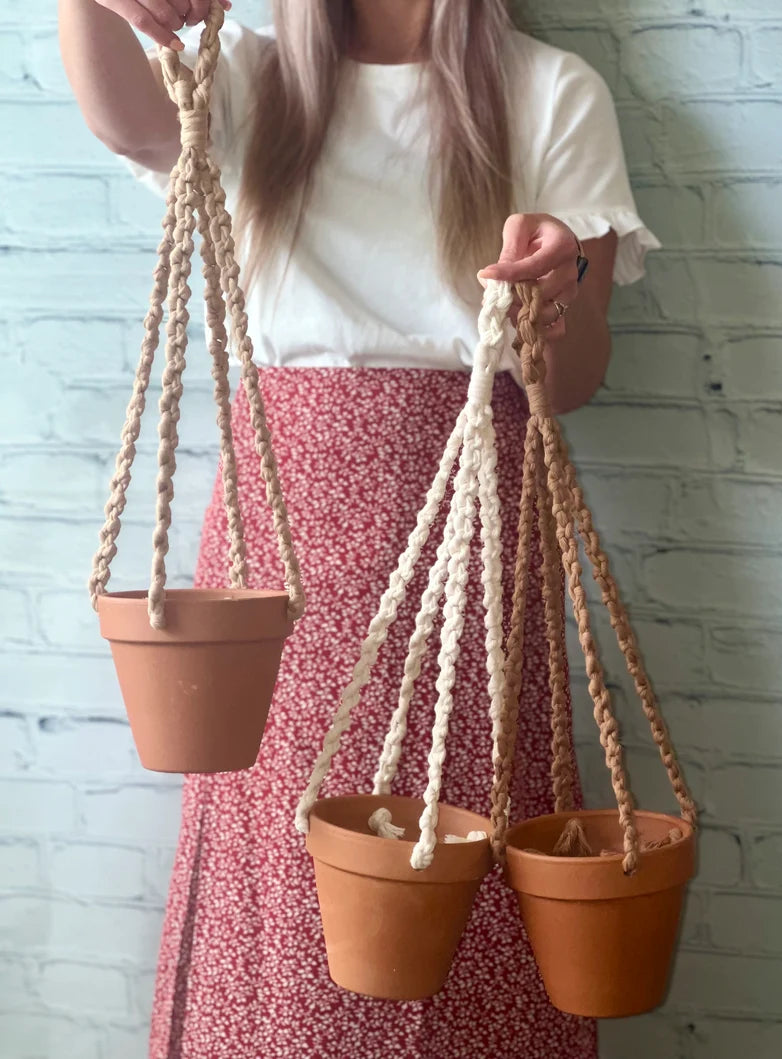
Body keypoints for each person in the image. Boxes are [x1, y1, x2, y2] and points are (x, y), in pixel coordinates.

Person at [59, 1, 659, 1056]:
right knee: (280, 869)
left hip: (472, 531)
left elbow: (572, 383)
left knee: (455, 841)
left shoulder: (550, 91)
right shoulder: (249, 76)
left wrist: (555, 293)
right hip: (279, 541)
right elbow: (122, 118)